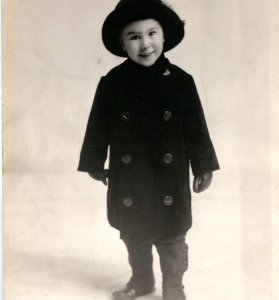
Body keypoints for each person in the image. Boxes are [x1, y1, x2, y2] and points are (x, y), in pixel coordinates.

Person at [78, 0, 219, 299]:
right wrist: (93, 161)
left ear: (164, 35)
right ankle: (142, 282)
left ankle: (173, 287)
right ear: (122, 43)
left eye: (152, 33)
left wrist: (204, 164)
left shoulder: (181, 82)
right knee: (135, 236)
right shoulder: (113, 82)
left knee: (171, 239)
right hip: (130, 177)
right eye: (134, 36)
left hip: (169, 176)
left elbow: (197, 129)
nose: (145, 44)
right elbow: (98, 126)